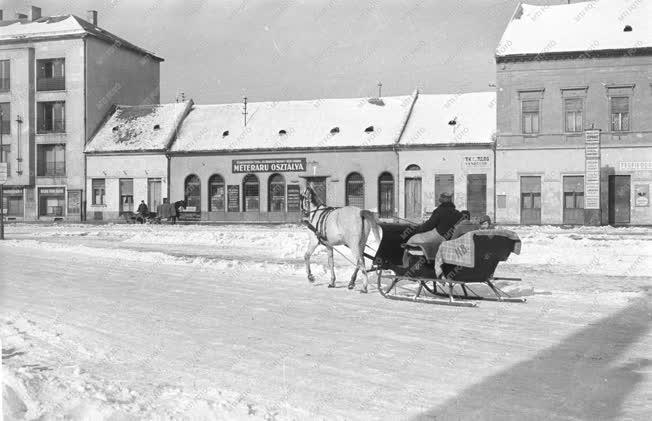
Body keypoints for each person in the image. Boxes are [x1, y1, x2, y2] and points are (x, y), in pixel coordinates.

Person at [404, 192, 462, 262]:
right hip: (450, 238)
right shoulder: (458, 213)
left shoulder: (439, 211)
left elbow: (429, 226)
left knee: (412, 239)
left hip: (440, 237)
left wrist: (419, 228)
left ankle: (407, 263)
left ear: (443, 200)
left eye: (441, 198)